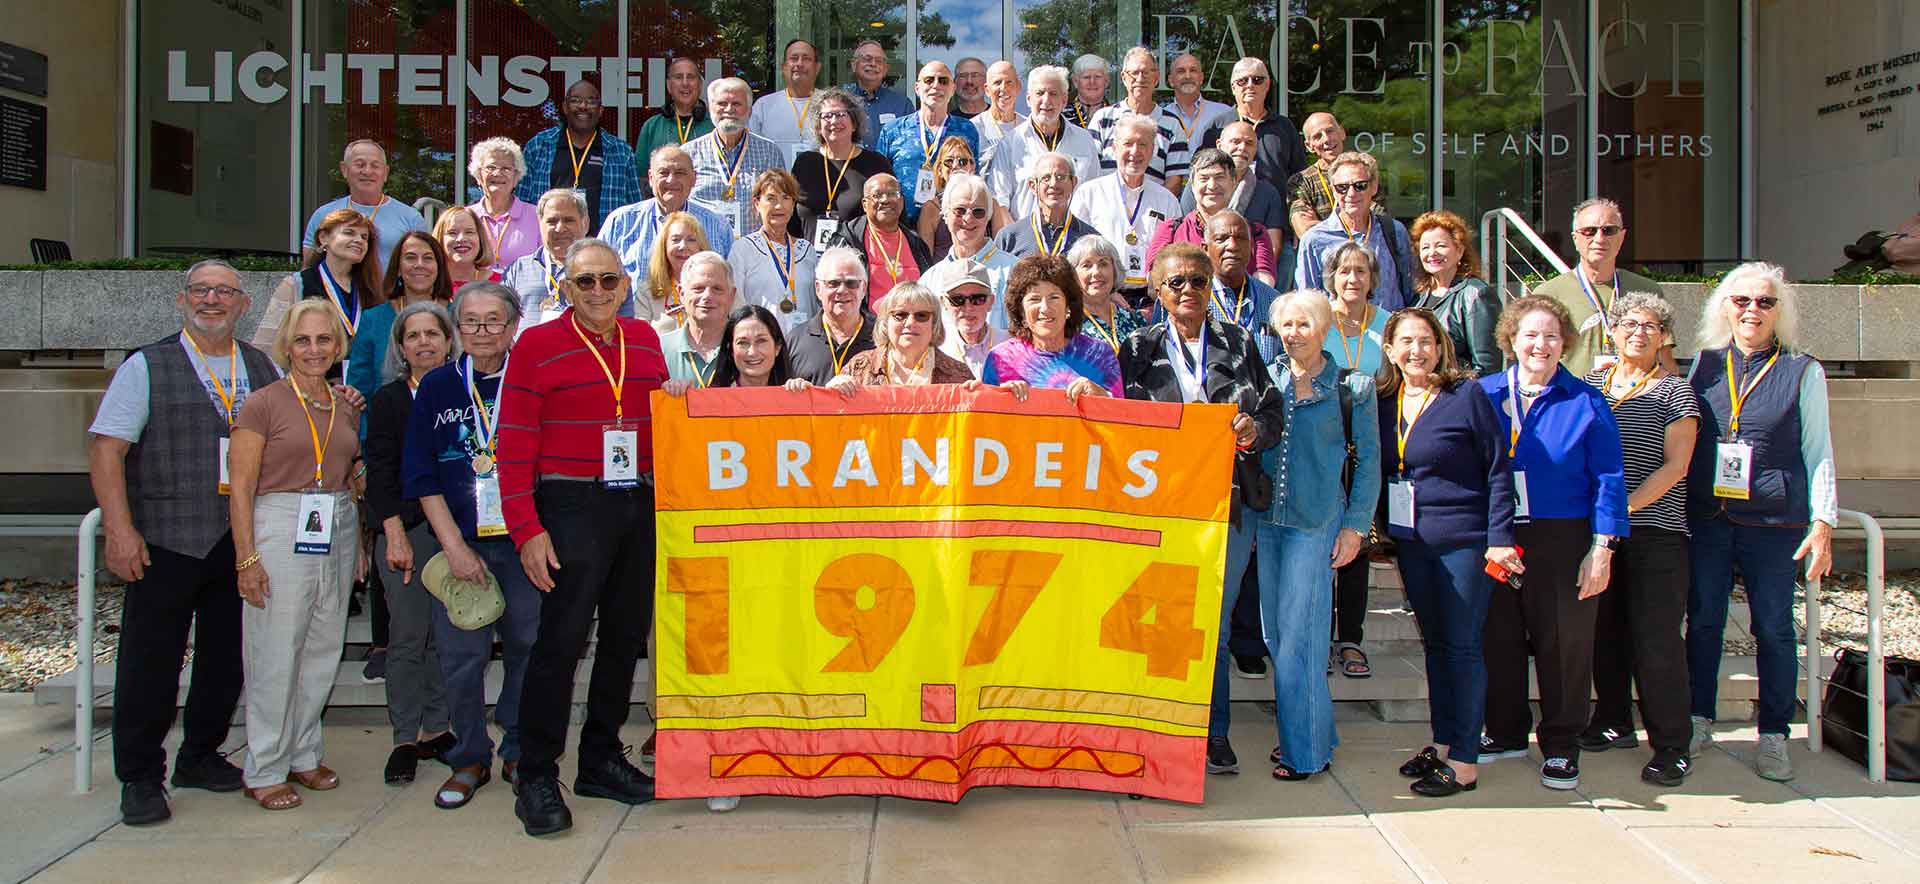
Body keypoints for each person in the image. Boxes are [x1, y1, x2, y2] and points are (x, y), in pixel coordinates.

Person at [88, 261, 273, 825]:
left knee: (225, 658)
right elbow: (106, 451)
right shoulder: (146, 366)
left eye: (224, 292)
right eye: (201, 290)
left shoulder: (261, 365)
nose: (212, 300)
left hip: (236, 539)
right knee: (151, 662)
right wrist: (120, 530)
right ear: (181, 300)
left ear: (244, 304)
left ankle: (200, 755)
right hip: (165, 538)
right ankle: (141, 776)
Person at [496, 239, 671, 835]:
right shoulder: (536, 346)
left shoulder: (645, 341)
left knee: (624, 640)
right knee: (561, 643)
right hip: (569, 503)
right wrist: (526, 528)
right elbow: (513, 444)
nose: (599, 291)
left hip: (638, 500)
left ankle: (599, 757)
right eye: (585, 282)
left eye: (609, 280)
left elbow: (666, 422)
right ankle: (537, 770)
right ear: (565, 288)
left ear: (626, 285)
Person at [1117, 242, 1284, 776]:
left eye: (1198, 281)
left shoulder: (1239, 341)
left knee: (1210, 617)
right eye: (1177, 283)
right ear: (1157, 291)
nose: (1188, 291)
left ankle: (1212, 732)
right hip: (1162, 504)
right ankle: (1159, 728)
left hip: (1230, 502)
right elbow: (1121, 424)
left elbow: (1273, 408)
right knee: (1163, 616)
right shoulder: (1137, 348)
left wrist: (1255, 430)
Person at [1684, 262, 1836, 783]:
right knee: (1702, 622)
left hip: (1773, 523)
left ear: (1780, 312)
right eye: (1742, 301)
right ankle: (1697, 720)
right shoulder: (1700, 366)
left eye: (1765, 302)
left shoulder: (1803, 370)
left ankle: (1773, 734)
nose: (1753, 310)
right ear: (1724, 307)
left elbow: (1819, 452)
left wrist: (1824, 521)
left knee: (1773, 629)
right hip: (1710, 518)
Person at [1479, 295, 1630, 792]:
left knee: (1563, 644)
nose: (1539, 344)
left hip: (1564, 536)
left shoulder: (1586, 400)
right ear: (1511, 340)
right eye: (1530, 334)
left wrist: (1602, 547)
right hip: (1500, 534)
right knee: (1498, 637)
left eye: (1550, 336)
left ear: (1565, 343)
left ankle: (1562, 744)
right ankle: (1504, 731)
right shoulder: (1484, 394)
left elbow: (1609, 476)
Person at [403, 282, 542, 808]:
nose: (483, 332)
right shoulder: (437, 387)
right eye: (471, 323)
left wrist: (535, 535)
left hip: (521, 540)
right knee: (462, 655)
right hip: (459, 541)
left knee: (529, 645)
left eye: (493, 322)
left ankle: (518, 742)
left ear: (512, 327)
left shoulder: (532, 381)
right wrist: (453, 547)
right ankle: (469, 756)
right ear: (457, 330)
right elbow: (421, 475)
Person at [228, 298, 366, 811]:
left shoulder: (345, 403)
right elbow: (240, 487)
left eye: (324, 340)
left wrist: (360, 541)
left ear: (337, 346)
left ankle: (304, 752)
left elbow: (349, 470)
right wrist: (247, 558)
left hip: (335, 520)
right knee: (275, 650)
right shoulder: (262, 403)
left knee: (323, 646)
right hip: (280, 521)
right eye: (303, 340)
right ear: (287, 345)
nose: (313, 350)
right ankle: (263, 765)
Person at [1376, 307, 1517, 798]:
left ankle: (1465, 761)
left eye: (1426, 341)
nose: (1417, 350)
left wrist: (1500, 537)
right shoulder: (1386, 399)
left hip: (1464, 540)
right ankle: (1442, 742)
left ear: (1440, 347)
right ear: (1390, 350)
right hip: (1412, 542)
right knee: (1434, 645)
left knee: (1462, 646)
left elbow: (1499, 468)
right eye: (1406, 342)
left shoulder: (1466, 395)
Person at [1257, 289, 1381, 780]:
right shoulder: (1266, 379)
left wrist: (1354, 527)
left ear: (1325, 327)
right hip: (1268, 523)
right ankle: (1313, 730)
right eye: (1285, 325)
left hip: (1316, 524)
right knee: (1276, 635)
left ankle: (1304, 751)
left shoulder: (1356, 387)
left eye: (1303, 324)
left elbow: (1370, 463)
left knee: (1301, 640)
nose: (1293, 334)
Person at [1576, 292, 1698, 787]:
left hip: (1655, 531)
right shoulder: (1591, 384)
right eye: (1629, 323)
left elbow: (1677, 465)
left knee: (1657, 640)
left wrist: (1624, 507)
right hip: (1599, 533)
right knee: (1604, 630)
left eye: (1650, 325)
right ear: (1614, 330)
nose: (1638, 332)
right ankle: (1613, 720)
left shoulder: (1676, 392)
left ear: (1663, 336)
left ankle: (1672, 744)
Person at [361, 301, 456, 786]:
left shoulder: (463, 393)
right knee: (407, 636)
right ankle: (404, 735)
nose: (424, 343)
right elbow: (378, 471)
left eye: (432, 334)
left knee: (447, 635)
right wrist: (392, 530)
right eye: (413, 335)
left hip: (456, 533)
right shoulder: (389, 400)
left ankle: (438, 729)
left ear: (447, 340)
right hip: (407, 532)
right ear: (401, 347)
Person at [1532, 198, 1667, 376]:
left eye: (1608, 230)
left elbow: (1664, 357)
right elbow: (1534, 360)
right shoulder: (1547, 294)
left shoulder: (1647, 291)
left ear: (1622, 236)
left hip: (1634, 398)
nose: (1599, 238)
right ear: (1575, 238)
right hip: (1572, 399)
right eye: (1589, 231)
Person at [1071, 115, 1183, 305]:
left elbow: (1176, 254)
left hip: (1154, 299)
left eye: (1143, 144)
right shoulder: (1088, 194)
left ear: (1153, 150)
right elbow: (1074, 252)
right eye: (1128, 143)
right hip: (1102, 297)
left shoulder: (1167, 200)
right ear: (1114, 149)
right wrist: (1107, 292)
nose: (1135, 151)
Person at [254, 208, 386, 370]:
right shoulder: (296, 284)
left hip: (360, 387)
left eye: (364, 237)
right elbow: (265, 344)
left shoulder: (372, 288)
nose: (359, 240)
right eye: (349, 233)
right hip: (310, 384)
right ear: (323, 238)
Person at [981, 253, 1122, 397]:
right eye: (1034, 299)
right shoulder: (1000, 359)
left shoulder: (1100, 355)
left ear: (1068, 307)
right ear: (1022, 312)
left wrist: (1101, 396)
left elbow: (1122, 414)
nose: (1045, 308)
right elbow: (985, 416)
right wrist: (1001, 398)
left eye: (1054, 297)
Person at [599, 145, 736, 292]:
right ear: (651, 178)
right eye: (663, 173)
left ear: (694, 179)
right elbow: (598, 273)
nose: (671, 180)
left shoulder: (718, 225)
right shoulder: (621, 221)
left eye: (680, 173)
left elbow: (729, 284)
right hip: (635, 314)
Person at [515, 77, 641, 233]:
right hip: (551, 243)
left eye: (591, 101)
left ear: (600, 110)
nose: (583, 106)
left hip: (600, 247)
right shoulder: (538, 146)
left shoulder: (621, 152)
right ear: (565, 107)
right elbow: (521, 204)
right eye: (576, 100)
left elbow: (635, 209)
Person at [1295, 151, 1413, 311]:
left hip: (1387, 331)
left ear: (1374, 186)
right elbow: (1307, 301)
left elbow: (1409, 290)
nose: (1351, 194)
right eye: (1342, 187)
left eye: (1360, 186)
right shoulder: (1314, 239)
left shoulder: (1394, 231)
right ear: (1333, 190)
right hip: (1338, 333)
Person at [981, 65, 1101, 221]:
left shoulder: (1084, 140)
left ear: (1064, 100)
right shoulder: (1010, 143)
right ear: (1029, 99)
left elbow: (1095, 195)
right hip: (1027, 241)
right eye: (1040, 93)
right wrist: (1016, 240)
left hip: (1076, 240)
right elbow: (999, 202)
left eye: (1053, 94)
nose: (1046, 100)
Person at [348, 231, 454, 405]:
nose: (419, 265)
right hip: (386, 425)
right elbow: (359, 389)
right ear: (397, 268)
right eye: (410, 258)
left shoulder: (457, 316)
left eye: (428, 258)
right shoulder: (373, 319)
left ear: (439, 267)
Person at [301, 139, 429, 276]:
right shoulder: (324, 215)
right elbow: (308, 268)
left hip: (390, 296)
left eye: (375, 166)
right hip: (334, 295)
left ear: (385, 173)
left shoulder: (410, 217)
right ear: (344, 169)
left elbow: (423, 269)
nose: (367, 171)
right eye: (360, 164)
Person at [1148, 149, 1277, 286]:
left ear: (1234, 182)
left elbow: (1264, 281)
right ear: (1192, 185)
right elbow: (1154, 282)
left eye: (1220, 177)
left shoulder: (1255, 233)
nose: (1212, 185)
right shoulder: (1171, 231)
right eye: (1204, 178)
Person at [814, 282, 974, 389]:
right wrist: (834, 391)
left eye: (921, 315)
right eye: (900, 315)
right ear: (885, 321)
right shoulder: (858, 368)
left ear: (934, 323)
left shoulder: (958, 375)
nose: (910, 322)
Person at [879, 61, 981, 221]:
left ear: (953, 88)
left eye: (943, 81)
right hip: (901, 227)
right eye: (929, 80)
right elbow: (881, 181)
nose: (936, 86)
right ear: (917, 88)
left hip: (951, 227)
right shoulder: (892, 130)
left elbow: (974, 179)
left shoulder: (966, 130)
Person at [687, 78, 786, 236]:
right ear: (710, 109)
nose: (729, 109)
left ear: (749, 111)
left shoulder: (770, 152)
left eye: (736, 104)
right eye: (722, 103)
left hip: (754, 251)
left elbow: (781, 207)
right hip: (704, 251)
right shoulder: (688, 153)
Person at [790, 87, 891, 243]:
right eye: (827, 116)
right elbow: (792, 221)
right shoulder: (804, 163)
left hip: (858, 260)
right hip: (809, 260)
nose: (834, 121)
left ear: (854, 123)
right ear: (818, 125)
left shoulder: (876, 165)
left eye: (840, 114)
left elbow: (891, 218)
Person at [1197, 58, 1308, 198]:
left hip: (1275, 214)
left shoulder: (1284, 127)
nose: (1250, 85)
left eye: (1257, 80)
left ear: (1267, 86)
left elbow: (1299, 176)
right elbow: (1201, 174)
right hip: (1228, 212)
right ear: (1233, 88)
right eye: (1242, 81)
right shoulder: (1216, 127)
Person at [1409, 210, 1502, 377]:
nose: (1432, 253)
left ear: (1459, 251)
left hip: (1458, 395)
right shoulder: (1420, 296)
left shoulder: (1476, 294)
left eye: (1441, 246)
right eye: (1425, 247)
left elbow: (1487, 367)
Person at [728, 168, 819, 332]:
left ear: (793, 205)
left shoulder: (807, 250)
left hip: (803, 345)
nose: (779, 205)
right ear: (757, 203)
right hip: (761, 343)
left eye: (786, 198)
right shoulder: (743, 249)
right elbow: (735, 303)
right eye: (771, 198)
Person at [1087, 48, 1189, 193]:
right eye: (1134, 73)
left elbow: (1174, 181)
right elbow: (1090, 169)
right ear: (1123, 77)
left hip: (1151, 210)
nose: (1140, 78)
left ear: (1156, 78)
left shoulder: (1172, 124)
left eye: (1146, 72)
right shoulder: (1102, 118)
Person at [926, 173, 1019, 328]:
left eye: (978, 212)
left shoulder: (1014, 271)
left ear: (988, 217)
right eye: (960, 210)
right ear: (945, 215)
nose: (968, 218)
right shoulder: (930, 280)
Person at [824, 174, 934, 305]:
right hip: (867, 323)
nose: (885, 200)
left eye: (892, 194)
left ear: (901, 202)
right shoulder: (847, 241)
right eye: (877, 195)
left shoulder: (916, 244)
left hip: (911, 321)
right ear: (864, 205)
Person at [787, 246, 878, 384]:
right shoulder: (795, 341)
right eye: (833, 283)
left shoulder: (882, 337)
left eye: (851, 283)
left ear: (864, 288)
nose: (842, 290)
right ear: (818, 289)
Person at [501, 189, 588, 331]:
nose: (560, 228)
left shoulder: (603, 269)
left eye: (568, 220)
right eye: (552, 221)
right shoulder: (518, 269)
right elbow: (501, 319)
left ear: (586, 223)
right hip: (528, 352)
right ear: (540, 224)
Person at [1203, 212, 1283, 362]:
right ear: (1205, 249)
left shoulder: (1274, 301)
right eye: (1222, 239)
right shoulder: (1188, 299)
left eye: (1240, 238)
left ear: (1251, 247)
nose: (1233, 246)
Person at [1208, 121, 1291, 262]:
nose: (1242, 148)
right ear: (1219, 145)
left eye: (1249, 143)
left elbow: (1272, 248)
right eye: (1236, 141)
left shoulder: (1267, 192)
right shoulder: (1202, 187)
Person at [918, 136, 1009, 258]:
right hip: (946, 273)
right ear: (939, 169)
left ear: (972, 167)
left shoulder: (990, 203)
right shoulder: (930, 208)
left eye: (963, 161)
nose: (955, 166)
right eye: (949, 161)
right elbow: (925, 257)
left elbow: (1001, 247)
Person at [1288, 112, 1374, 241]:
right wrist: (1353, 222)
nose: (1327, 139)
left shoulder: (1364, 172)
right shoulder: (1300, 182)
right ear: (1309, 146)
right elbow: (1305, 231)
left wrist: (1321, 225)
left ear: (1342, 133)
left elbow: (1377, 218)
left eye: (1330, 131)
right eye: (1318, 136)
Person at [658, 251, 739, 387]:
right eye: (698, 288)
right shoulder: (659, 350)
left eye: (717, 289)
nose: (707, 296)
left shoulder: (748, 350)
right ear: (682, 294)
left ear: (732, 296)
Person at [997, 152, 1098, 259]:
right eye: (1046, 178)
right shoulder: (1009, 237)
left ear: (1073, 182)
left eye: (1061, 177)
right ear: (1033, 186)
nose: (1053, 184)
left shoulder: (1090, 238)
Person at [633, 57, 713, 191]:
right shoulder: (652, 126)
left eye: (691, 77)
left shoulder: (714, 126)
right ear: (669, 85)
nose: (685, 83)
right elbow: (640, 178)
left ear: (699, 85)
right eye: (679, 77)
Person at [748, 39, 823, 166]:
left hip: (821, 183)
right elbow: (751, 150)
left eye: (806, 59)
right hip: (777, 184)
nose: (799, 64)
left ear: (817, 67)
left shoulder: (830, 104)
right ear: (783, 67)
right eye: (794, 58)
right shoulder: (763, 106)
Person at [468, 137, 540, 269]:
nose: (497, 173)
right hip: (476, 288)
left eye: (506, 168)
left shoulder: (537, 217)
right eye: (490, 167)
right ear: (478, 176)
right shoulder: (466, 217)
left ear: (517, 177)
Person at [930, 258, 1009, 377]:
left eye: (977, 299)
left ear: (991, 302)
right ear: (944, 303)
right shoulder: (937, 349)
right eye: (957, 300)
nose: (968, 308)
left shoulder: (1011, 344)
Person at [1067, 234, 1141, 356]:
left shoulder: (1134, 320)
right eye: (1087, 265)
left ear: (1115, 271)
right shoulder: (1068, 324)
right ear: (1074, 276)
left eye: (1103, 264)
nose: (1096, 272)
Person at [640, 211, 712, 329]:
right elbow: (640, 339)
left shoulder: (722, 286)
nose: (683, 246)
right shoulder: (646, 292)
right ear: (664, 247)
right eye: (676, 239)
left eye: (691, 240)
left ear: (701, 247)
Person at [847, 39, 914, 147]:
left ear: (886, 69)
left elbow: (910, 145)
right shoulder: (841, 102)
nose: (873, 64)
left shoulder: (902, 105)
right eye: (867, 59)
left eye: (879, 61)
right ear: (854, 65)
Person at [1165, 53, 1234, 155]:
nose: (1188, 76)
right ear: (1171, 80)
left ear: (1201, 78)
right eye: (1181, 71)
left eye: (1193, 70)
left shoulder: (1224, 114)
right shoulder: (1162, 116)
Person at [435, 205, 499, 290]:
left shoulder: (500, 283)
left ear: (480, 238)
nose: (461, 239)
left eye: (469, 232)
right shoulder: (430, 283)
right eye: (452, 232)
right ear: (440, 238)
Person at [972, 60, 1027, 151]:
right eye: (997, 83)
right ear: (987, 90)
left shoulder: (1028, 126)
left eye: (1009, 82)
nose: (1003, 88)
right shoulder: (974, 127)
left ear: (1018, 87)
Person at [1065, 54, 1110, 129]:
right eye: (1086, 77)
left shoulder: (1116, 114)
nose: (1092, 82)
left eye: (1098, 76)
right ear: (1075, 81)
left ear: (1106, 81)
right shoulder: (1061, 115)